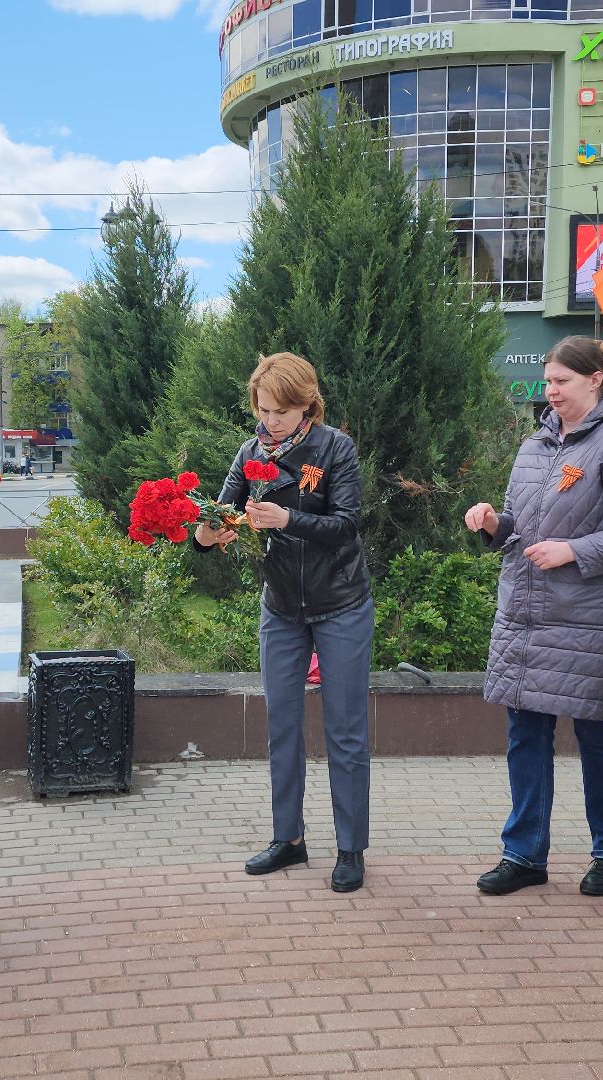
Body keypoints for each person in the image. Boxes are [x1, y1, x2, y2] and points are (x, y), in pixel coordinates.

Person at [465, 336, 603, 899]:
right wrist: (493, 524)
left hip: (589, 619)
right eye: (548, 381)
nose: (550, 391)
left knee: (597, 734)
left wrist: (573, 551)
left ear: (595, 380)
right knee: (525, 735)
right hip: (525, 615)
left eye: (562, 381)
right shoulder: (534, 446)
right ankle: (524, 855)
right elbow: (518, 525)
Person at [193, 352, 375, 894]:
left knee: (345, 731)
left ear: (306, 405)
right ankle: (288, 838)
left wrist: (288, 518)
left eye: (282, 411)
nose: (271, 421)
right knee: (282, 726)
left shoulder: (335, 448)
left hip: (341, 601)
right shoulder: (249, 453)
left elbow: (347, 524)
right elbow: (220, 511)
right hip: (280, 607)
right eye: (264, 409)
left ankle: (350, 848)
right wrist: (206, 533)